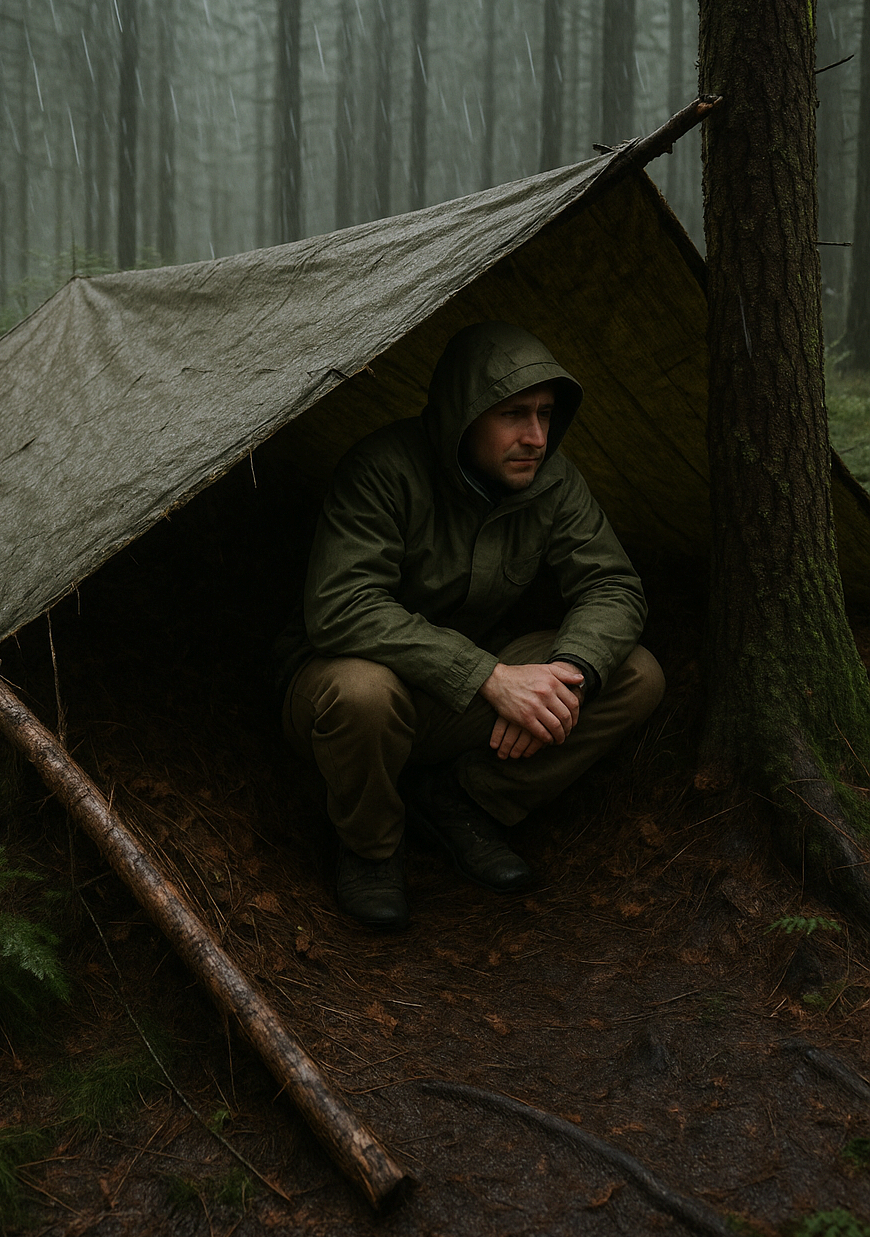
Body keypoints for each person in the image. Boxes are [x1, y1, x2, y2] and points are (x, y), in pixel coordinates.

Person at [277, 320, 665, 928]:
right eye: (514, 414)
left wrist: (566, 677)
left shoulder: (555, 482)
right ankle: (370, 848)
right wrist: (489, 676)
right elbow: (341, 604)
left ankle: (462, 798)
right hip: (348, 693)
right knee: (364, 693)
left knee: (634, 673)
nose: (536, 437)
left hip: (456, 699)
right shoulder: (385, 469)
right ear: (465, 416)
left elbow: (611, 585)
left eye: (545, 415)